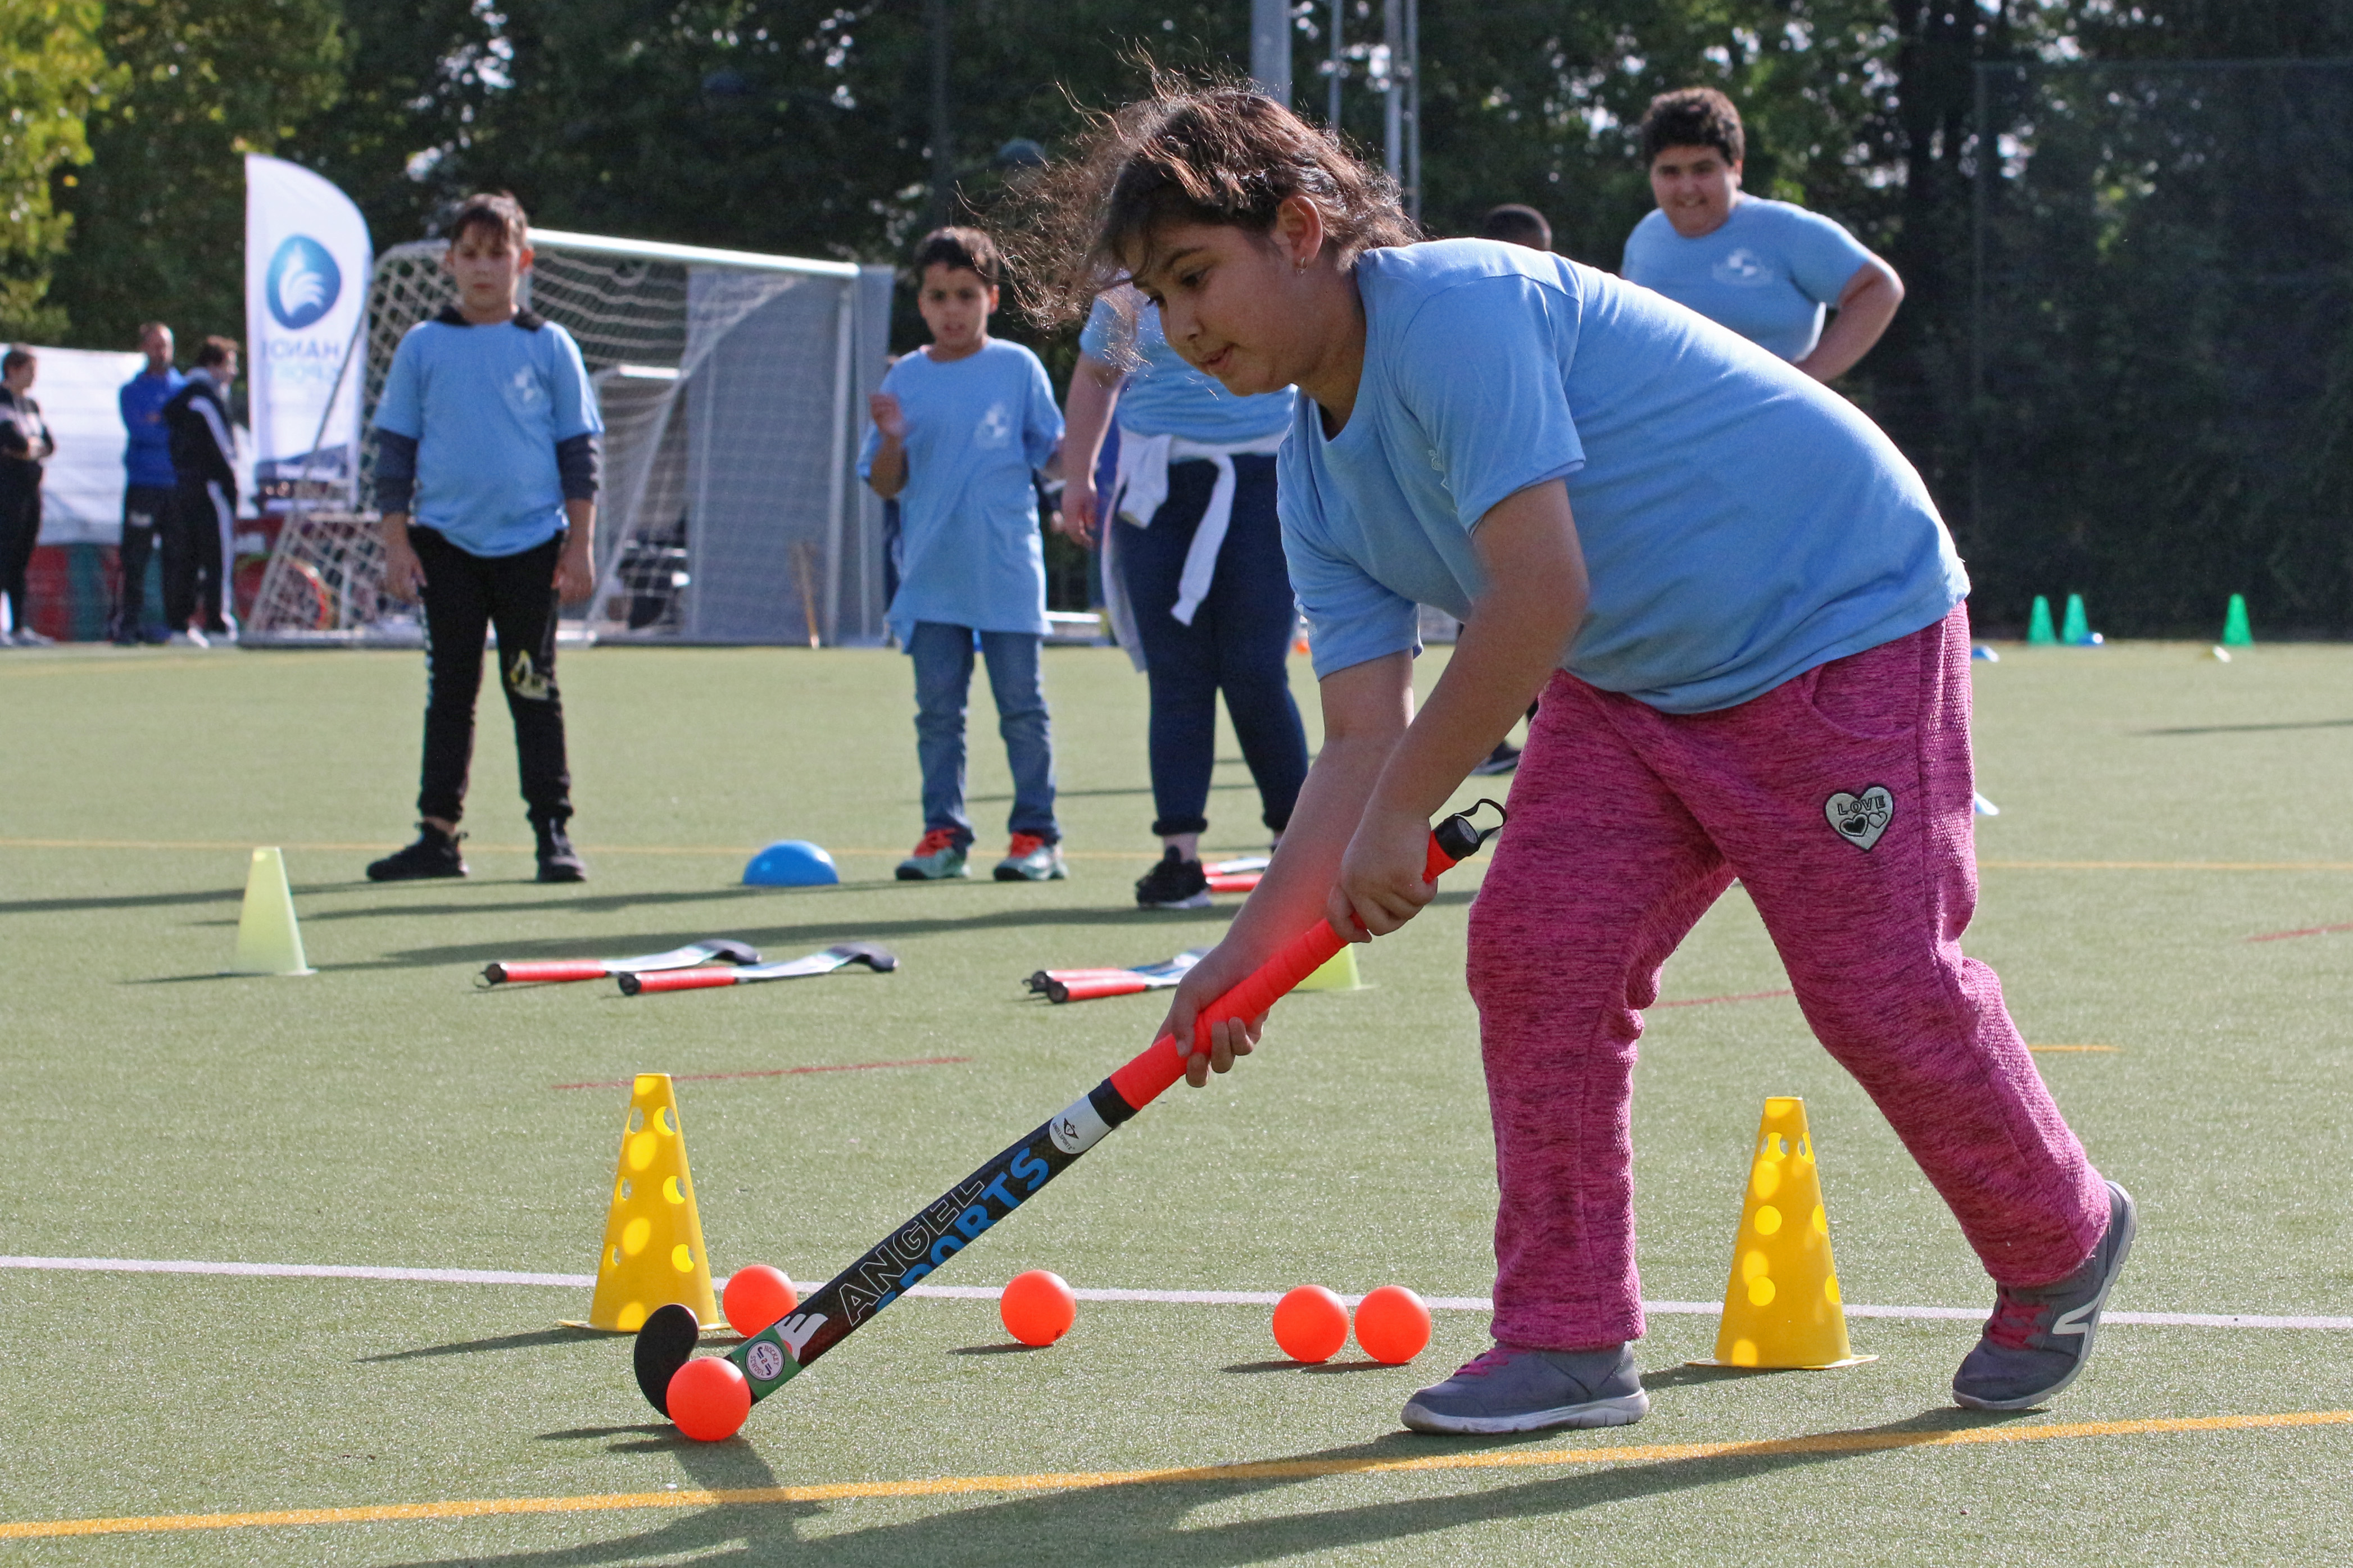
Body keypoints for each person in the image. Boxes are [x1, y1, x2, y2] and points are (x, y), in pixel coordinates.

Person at [1030, 83, 2130, 1434]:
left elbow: (1536, 592)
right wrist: (1246, 954)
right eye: (1157, 297)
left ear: (1303, 229)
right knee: (1539, 953)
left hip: (1835, 612)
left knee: (1873, 984)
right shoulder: (1311, 481)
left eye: (1197, 277)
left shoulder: (1457, 314)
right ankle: (1565, 1337)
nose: (1185, 329)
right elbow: (1358, 741)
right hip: (1639, 676)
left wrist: (1406, 818)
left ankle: (2058, 1240)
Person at [365, 191, 601, 884]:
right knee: (452, 690)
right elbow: (395, 454)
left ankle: (552, 833)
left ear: (522, 261)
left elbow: (579, 450)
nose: (483, 268)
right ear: (448, 263)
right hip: (445, 546)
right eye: (469, 254)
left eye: (497, 254)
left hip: (531, 546)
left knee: (532, 686)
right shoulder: (423, 346)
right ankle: (437, 836)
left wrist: (579, 542)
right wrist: (396, 542)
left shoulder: (550, 345)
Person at [1058, 285, 1309, 908]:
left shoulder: (1257, 264)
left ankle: (1298, 844)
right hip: (1156, 486)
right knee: (1176, 674)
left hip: (1262, 481)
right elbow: (1096, 374)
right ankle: (1179, 856)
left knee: (1255, 669)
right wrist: (1078, 476)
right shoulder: (1125, 289)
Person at [861, 226, 1068, 884]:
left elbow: (1056, 457)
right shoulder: (906, 377)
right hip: (929, 579)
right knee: (938, 715)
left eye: (966, 295)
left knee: (1021, 709)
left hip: (1006, 571)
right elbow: (884, 483)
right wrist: (891, 440)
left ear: (992, 299)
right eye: (938, 295)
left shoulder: (1017, 368)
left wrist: (1110, 443)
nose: (952, 308)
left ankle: (1036, 836)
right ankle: (943, 835)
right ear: (921, 304)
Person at [1621, 87, 1903, 381]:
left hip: (1768, 423)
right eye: (1670, 172)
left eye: (1703, 169)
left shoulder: (1785, 230)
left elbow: (1879, 287)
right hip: (1666, 423)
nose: (1688, 188)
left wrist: (1805, 382)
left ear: (1736, 168)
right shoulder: (1645, 238)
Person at [1465, 203, 1557, 778]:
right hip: (1499, 502)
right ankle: (1522, 742)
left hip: (1537, 497)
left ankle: (1541, 743)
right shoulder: (1483, 322)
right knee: (1513, 620)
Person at [160, 337, 241, 647]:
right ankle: (219, 624)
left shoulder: (183, 395)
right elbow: (224, 449)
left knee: (188, 555)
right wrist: (231, 484)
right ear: (214, 365)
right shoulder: (205, 398)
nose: (233, 373)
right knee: (217, 555)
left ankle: (181, 625)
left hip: (185, 486)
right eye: (230, 364)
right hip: (210, 488)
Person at [115, 322, 183, 644]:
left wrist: (163, 425)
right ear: (143, 348)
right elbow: (141, 431)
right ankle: (128, 624)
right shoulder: (132, 391)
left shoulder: (183, 390)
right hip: (143, 485)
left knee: (177, 557)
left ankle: (175, 625)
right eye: (155, 345)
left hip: (176, 487)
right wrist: (165, 428)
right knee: (136, 558)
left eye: (166, 345)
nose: (162, 352)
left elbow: (187, 437)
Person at [0, 347, 56, 645]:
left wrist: (28, 449)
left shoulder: (32, 405)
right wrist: (27, 448)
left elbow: (48, 444)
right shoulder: (2, 400)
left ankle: (18, 627)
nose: (34, 376)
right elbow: (12, 440)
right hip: (7, 491)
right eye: (29, 369)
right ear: (13, 369)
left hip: (31, 490)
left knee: (21, 557)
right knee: (3, 553)